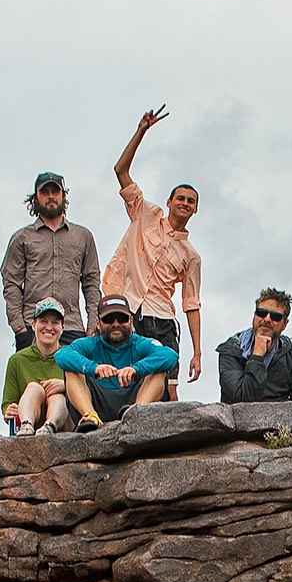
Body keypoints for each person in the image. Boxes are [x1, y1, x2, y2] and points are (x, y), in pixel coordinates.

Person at [100, 105, 206, 394]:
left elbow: (191, 303)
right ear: (169, 202)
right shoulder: (145, 213)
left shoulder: (191, 255)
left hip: (162, 318)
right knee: (124, 380)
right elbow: (120, 170)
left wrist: (197, 352)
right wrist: (141, 131)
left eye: (191, 201)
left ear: (195, 210)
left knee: (168, 387)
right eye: (180, 198)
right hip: (127, 308)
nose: (184, 203)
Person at [1, 169, 99, 345]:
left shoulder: (83, 236)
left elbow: (91, 283)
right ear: (36, 197)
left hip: (72, 327)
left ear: (63, 195)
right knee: (33, 374)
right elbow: (11, 284)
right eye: (45, 192)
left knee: (75, 373)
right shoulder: (22, 238)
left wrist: (93, 325)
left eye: (55, 191)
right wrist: (20, 328)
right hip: (34, 327)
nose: (51, 196)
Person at [59, 293, 178, 424]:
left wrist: (136, 369)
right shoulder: (90, 344)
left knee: (159, 369)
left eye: (122, 318)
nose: (116, 324)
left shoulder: (140, 343)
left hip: (135, 403)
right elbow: (62, 355)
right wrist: (94, 368)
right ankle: (90, 417)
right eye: (109, 319)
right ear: (98, 324)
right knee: (71, 369)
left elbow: (170, 355)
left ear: (131, 321)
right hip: (99, 405)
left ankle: (136, 415)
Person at [216, 288, 292, 410]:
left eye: (275, 316)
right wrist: (257, 357)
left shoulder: (290, 355)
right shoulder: (231, 351)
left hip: (278, 425)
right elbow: (241, 400)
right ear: (254, 315)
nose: (267, 319)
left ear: (285, 324)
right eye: (261, 313)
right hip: (237, 425)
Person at [1, 300, 78, 432]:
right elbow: (7, 403)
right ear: (33, 324)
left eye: (55, 322)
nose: (49, 327)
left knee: (57, 396)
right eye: (43, 321)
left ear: (62, 328)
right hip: (31, 422)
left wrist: (65, 385)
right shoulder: (17, 360)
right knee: (33, 388)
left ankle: (49, 427)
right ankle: (27, 426)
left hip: (65, 428)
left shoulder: (73, 357)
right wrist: (9, 410)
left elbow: (89, 393)